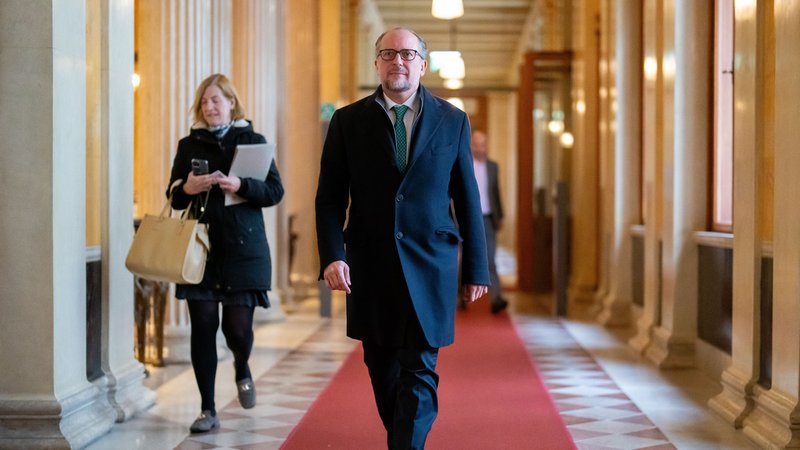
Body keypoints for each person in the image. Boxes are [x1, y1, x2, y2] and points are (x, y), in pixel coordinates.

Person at [315, 27, 489, 449]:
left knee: (420, 369)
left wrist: (478, 268)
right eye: (389, 53)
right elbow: (329, 198)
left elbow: (467, 197)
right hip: (370, 266)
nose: (399, 61)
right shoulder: (347, 121)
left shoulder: (453, 120)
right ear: (376, 63)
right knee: (382, 368)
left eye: (409, 54)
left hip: (431, 264)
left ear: (423, 65)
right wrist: (332, 256)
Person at [167, 73, 284, 433]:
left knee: (237, 330)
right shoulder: (190, 145)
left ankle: (242, 365)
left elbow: (274, 192)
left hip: (244, 250)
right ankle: (207, 409)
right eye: (204, 102)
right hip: (200, 251)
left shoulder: (253, 141)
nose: (210, 107)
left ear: (232, 102)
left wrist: (240, 185)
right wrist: (187, 186)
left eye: (216, 100)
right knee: (203, 326)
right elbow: (172, 196)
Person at [469, 130, 509, 314]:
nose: (480, 148)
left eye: (483, 144)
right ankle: (461, 299)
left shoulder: (493, 166)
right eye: (477, 144)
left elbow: (496, 192)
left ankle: (497, 298)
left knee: (491, 259)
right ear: (471, 145)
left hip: (487, 218)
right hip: (467, 218)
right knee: (462, 261)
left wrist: (499, 216)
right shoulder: (464, 162)